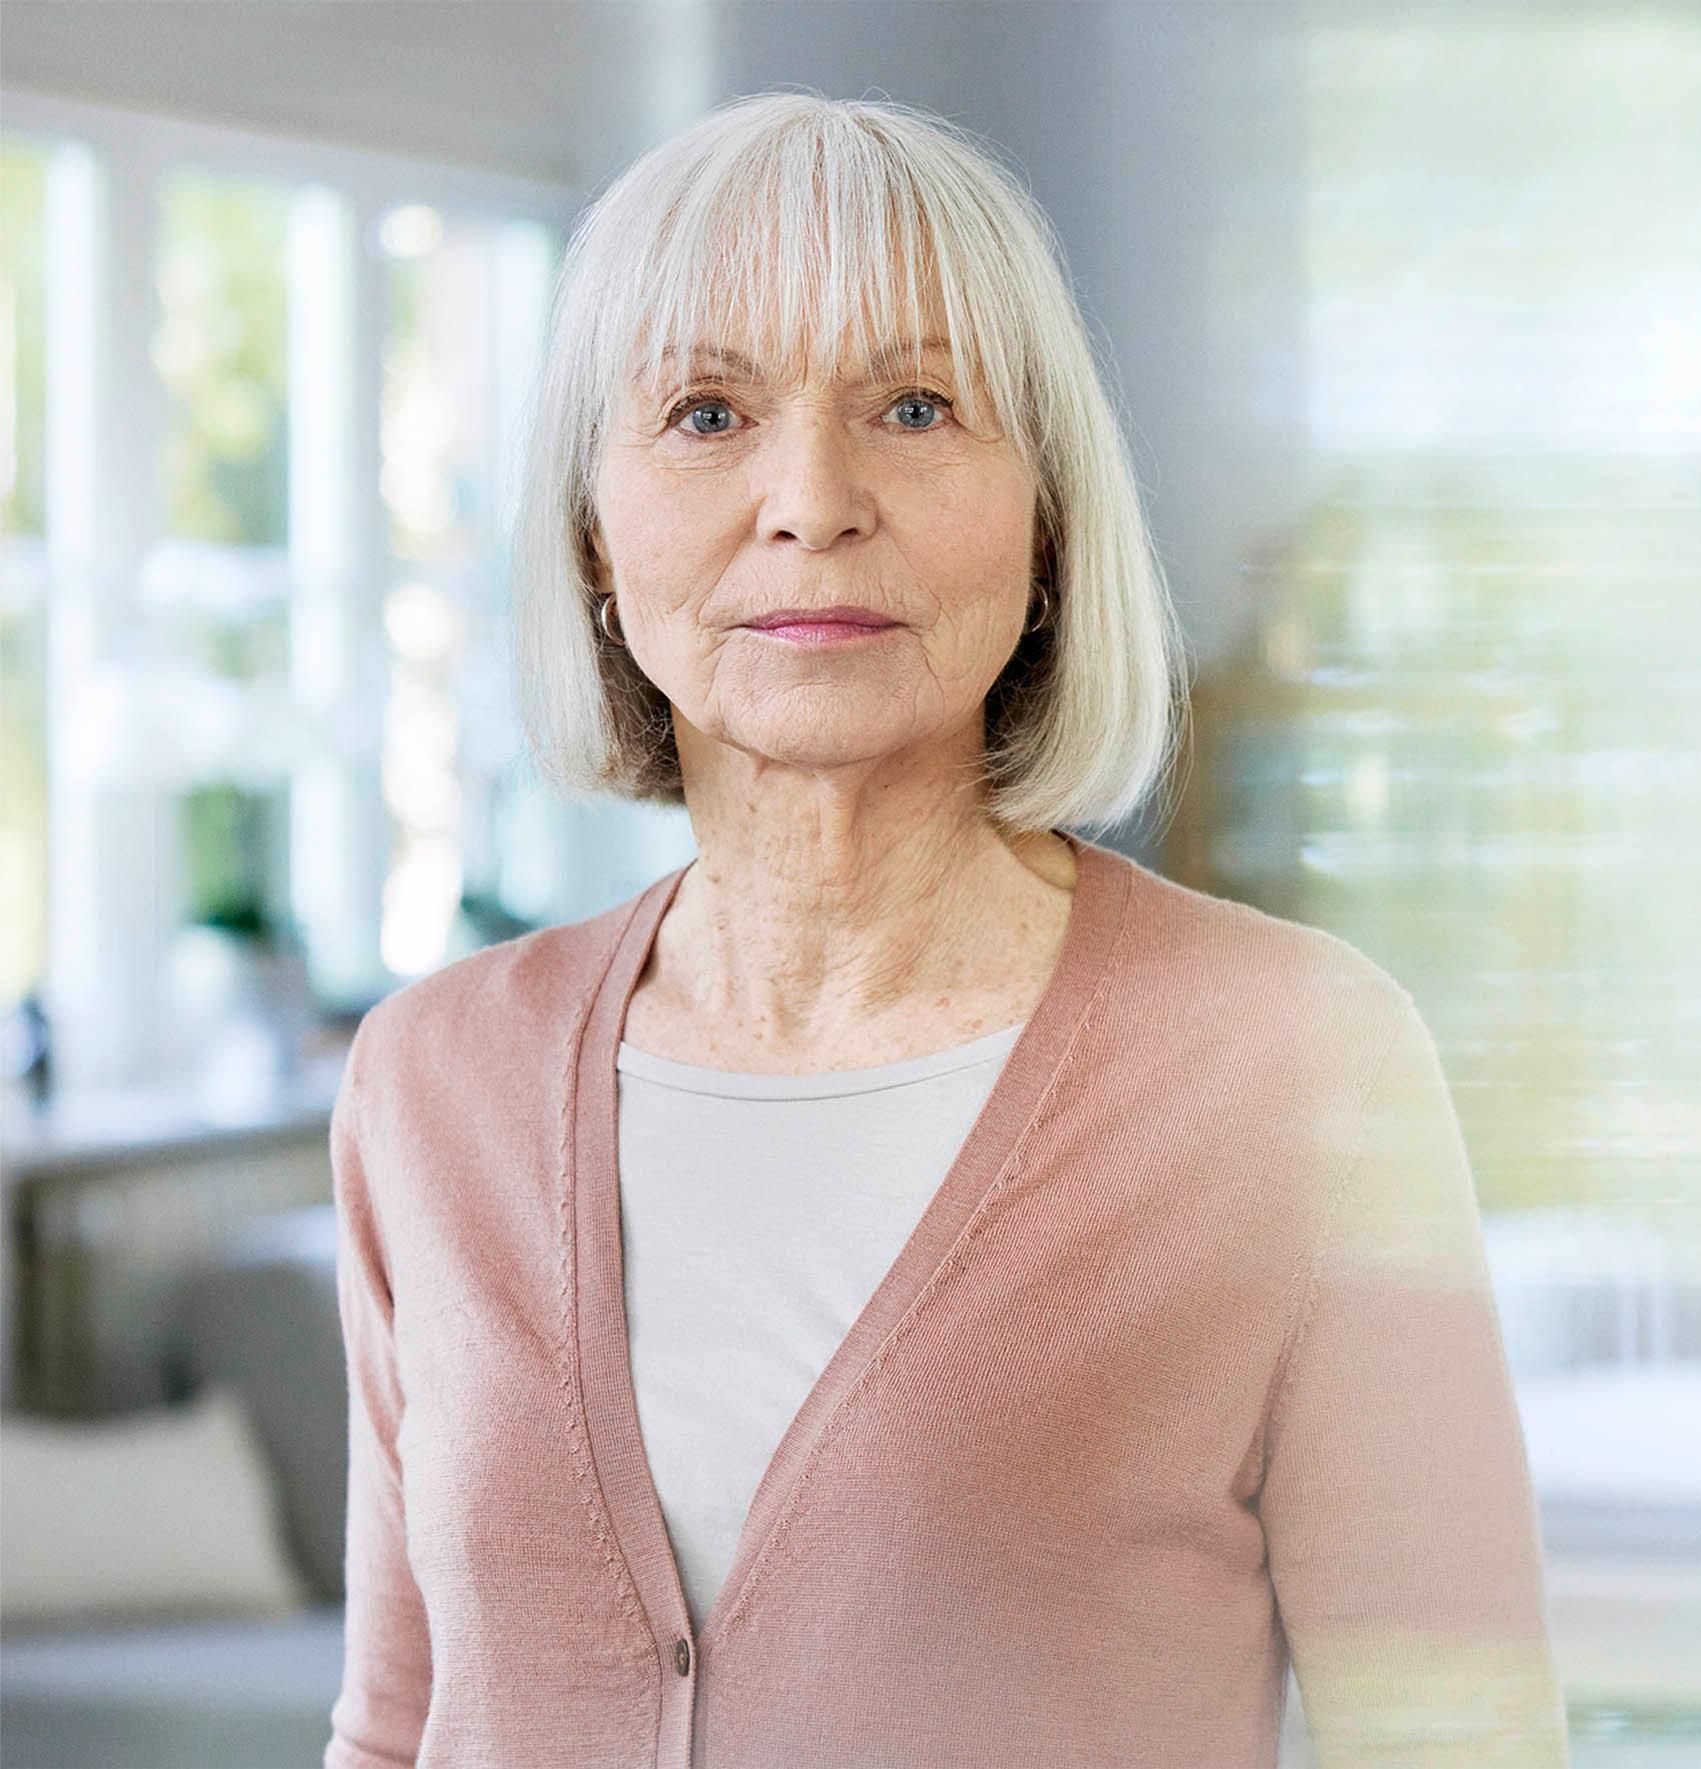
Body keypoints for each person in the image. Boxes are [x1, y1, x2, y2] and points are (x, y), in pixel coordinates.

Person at [323, 89, 1568, 1769]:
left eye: (916, 405)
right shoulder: (429, 1079)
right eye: (706, 411)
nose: (811, 499)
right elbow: (395, 1730)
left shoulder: (1294, 1065)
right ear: (592, 537)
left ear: (1048, 525)